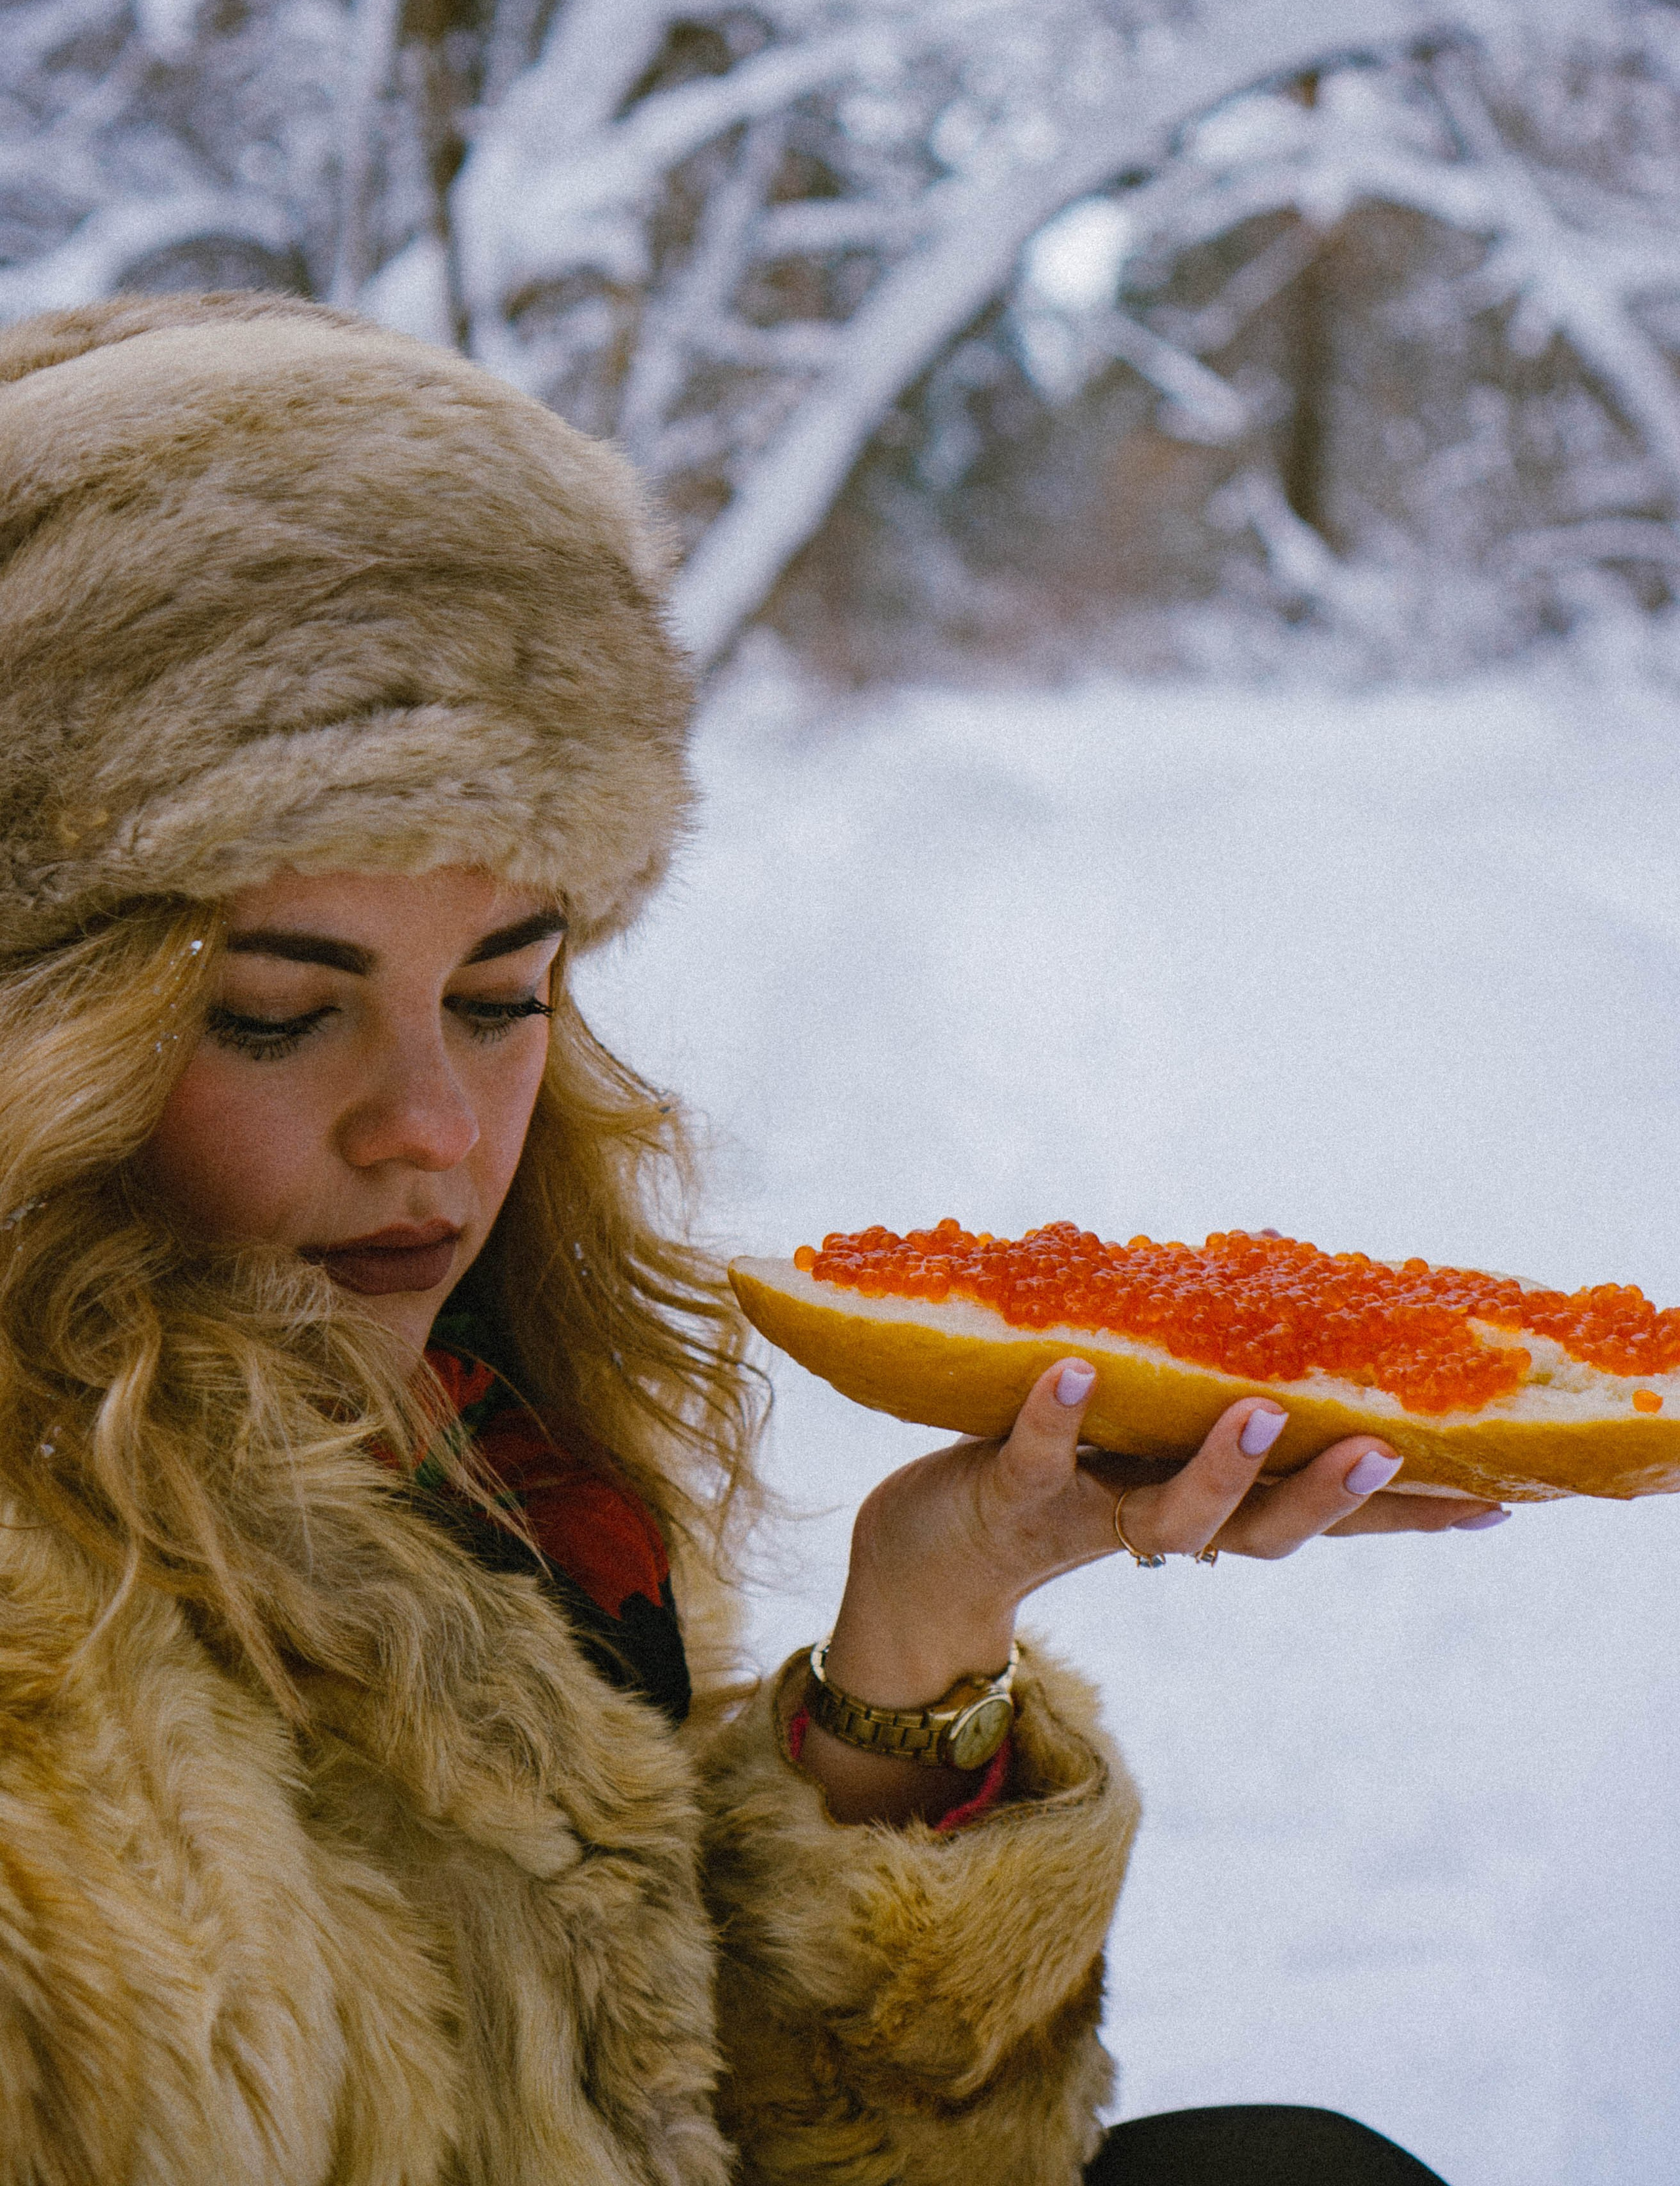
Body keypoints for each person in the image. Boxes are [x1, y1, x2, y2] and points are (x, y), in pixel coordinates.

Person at [0, 294, 1495, 2185]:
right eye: (276, 1014)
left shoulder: (482, 1454)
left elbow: (675, 2118)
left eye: (500, 993)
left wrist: (928, 1627)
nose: (437, 1129)